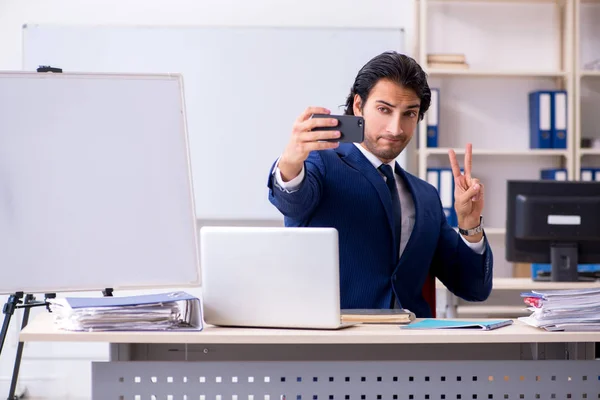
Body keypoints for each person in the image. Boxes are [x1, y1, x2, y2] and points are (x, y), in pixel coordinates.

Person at [266, 51, 492, 317]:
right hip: (338, 344)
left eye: (409, 113)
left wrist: (469, 223)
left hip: (411, 347)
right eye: (384, 110)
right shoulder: (321, 164)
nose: (396, 128)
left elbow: (473, 288)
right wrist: (290, 163)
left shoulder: (426, 195)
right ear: (358, 106)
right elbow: (292, 200)